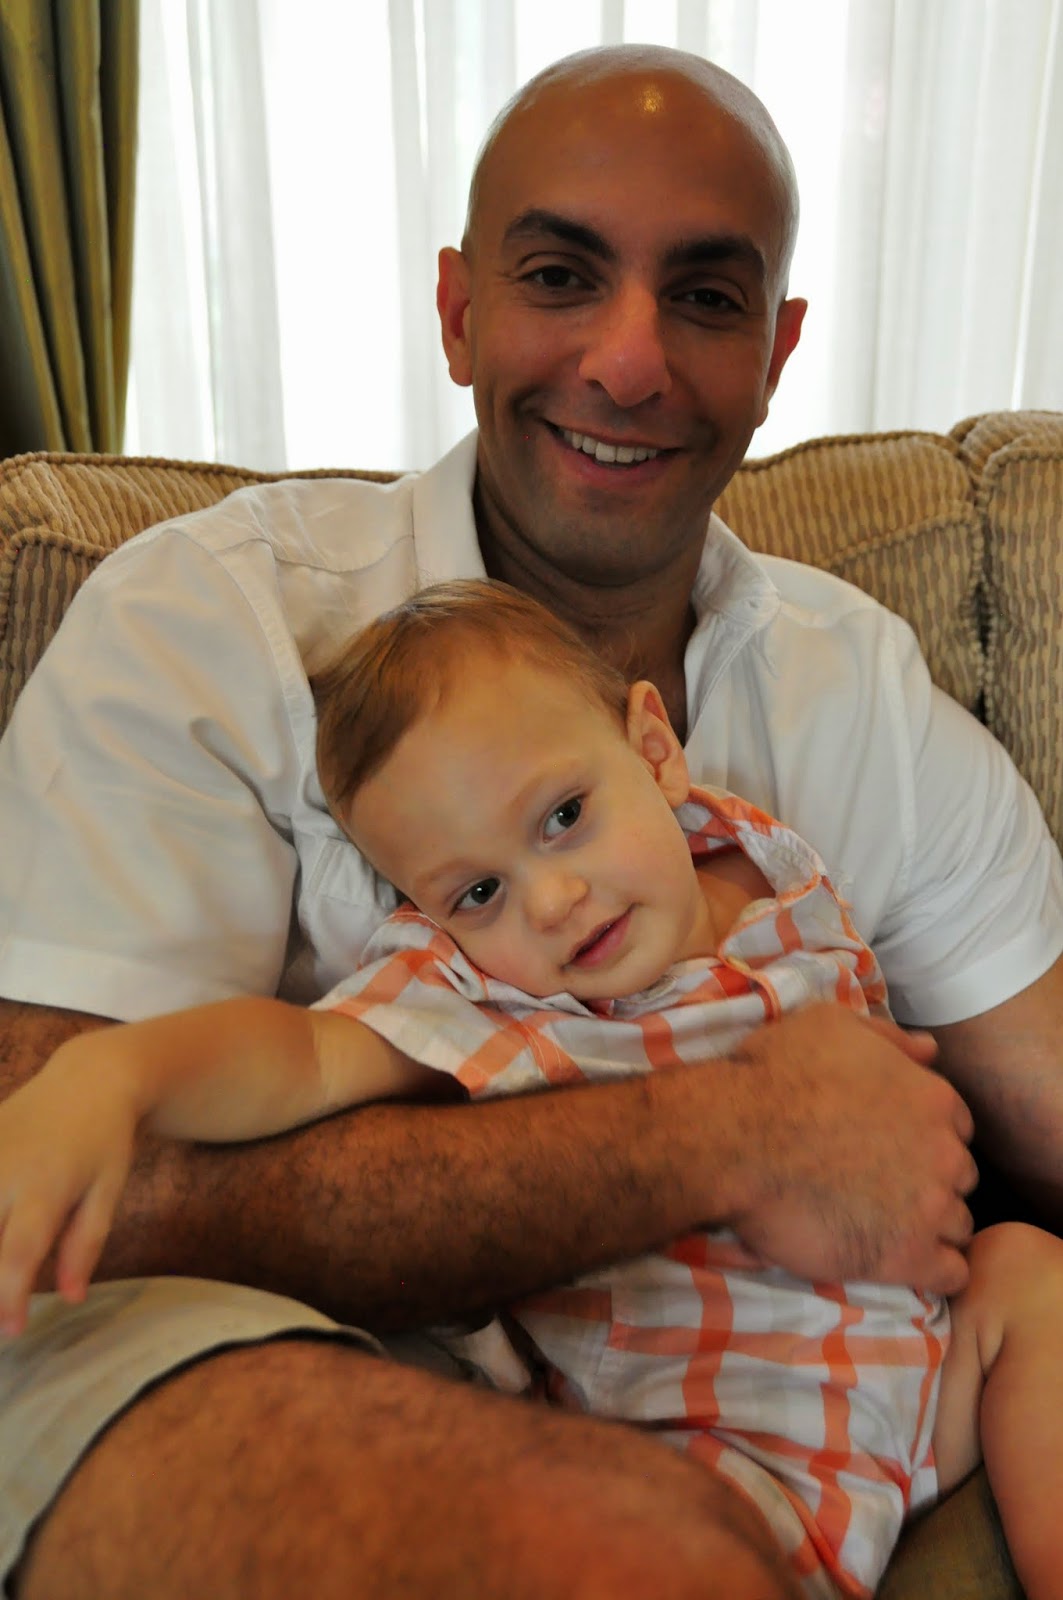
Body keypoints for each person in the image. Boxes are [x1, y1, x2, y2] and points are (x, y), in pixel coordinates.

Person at [0, 38, 1060, 1600]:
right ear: (457, 311)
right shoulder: (207, 619)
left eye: (705, 297)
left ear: (775, 351)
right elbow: (100, 1204)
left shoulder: (851, 693)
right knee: (625, 1548)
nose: (627, 363)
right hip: (259, 1356)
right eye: (560, 276)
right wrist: (727, 1136)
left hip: (850, 1377)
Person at [2, 579, 1061, 1600]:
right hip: (709, 1451)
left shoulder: (772, 867)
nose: (551, 899)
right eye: (479, 889)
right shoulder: (486, 991)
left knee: (1029, 1274)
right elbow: (301, 1058)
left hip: (914, 1391)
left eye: (563, 815)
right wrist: (116, 1075)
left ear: (654, 750)